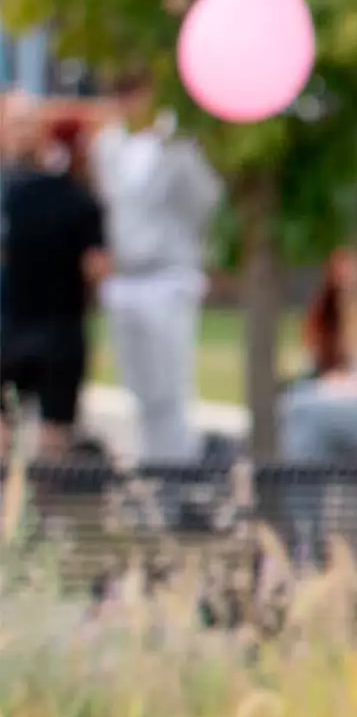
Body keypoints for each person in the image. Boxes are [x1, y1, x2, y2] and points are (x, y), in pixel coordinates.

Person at [89, 77, 223, 464]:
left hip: (168, 277)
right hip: (126, 283)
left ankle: (176, 471)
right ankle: (152, 466)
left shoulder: (179, 146)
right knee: (140, 387)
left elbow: (204, 204)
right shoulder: (109, 146)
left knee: (171, 387)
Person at [0, 108, 109, 461]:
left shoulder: (10, 198)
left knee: (4, 433)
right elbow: (97, 268)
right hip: (60, 332)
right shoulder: (78, 200)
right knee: (55, 440)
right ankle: (49, 512)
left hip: (9, 327)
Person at [278, 231, 357, 463]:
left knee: (301, 409)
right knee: (297, 400)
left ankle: (299, 495)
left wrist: (354, 388)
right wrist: (340, 382)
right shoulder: (349, 312)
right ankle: (303, 492)